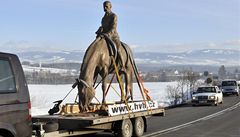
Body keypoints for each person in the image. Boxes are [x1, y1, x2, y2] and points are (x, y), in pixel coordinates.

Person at [96, 1, 124, 67]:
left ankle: (122, 65)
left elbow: (113, 27)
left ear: (110, 7)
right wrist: (100, 30)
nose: (105, 8)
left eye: (106, 6)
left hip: (113, 36)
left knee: (118, 48)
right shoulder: (103, 18)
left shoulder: (113, 16)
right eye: (104, 6)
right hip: (105, 36)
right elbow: (103, 27)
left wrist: (108, 34)